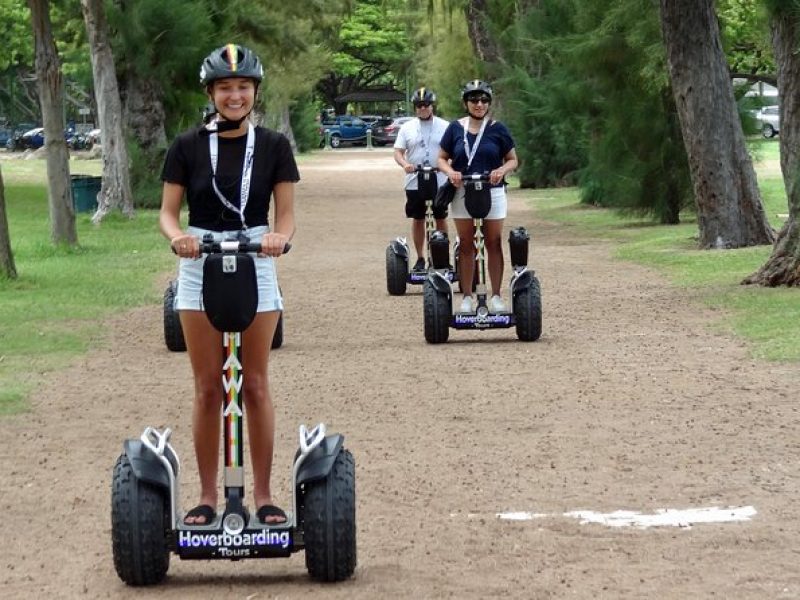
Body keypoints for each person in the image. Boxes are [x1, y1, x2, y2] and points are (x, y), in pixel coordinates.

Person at [159, 43, 298, 526]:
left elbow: (286, 214)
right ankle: (206, 496)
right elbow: (168, 213)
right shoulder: (187, 145)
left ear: (254, 91)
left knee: (254, 383)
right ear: (212, 92)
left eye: (242, 87)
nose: (234, 95)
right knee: (207, 388)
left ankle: (262, 494)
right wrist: (179, 238)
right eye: (224, 87)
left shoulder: (276, 146)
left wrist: (280, 238)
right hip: (200, 258)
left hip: (256, 254)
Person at [437, 80, 518, 313]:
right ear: (466, 103)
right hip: (463, 190)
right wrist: (450, 171)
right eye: (474, 100)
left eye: (483, 100)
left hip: (492, 190)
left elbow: (513, 159)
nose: (479, 104)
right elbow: (441, 158)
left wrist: (501, 170)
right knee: (466, 244)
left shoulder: (498, 128)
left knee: (493, 242)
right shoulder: (454, 128)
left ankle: (495, 296)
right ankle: (466, 297)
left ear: (488, 103)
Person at [393, 86, 450, 272]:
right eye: (419, 105)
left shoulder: (445, 126)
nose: (422, 108)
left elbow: (454, 151)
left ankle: (442, 256)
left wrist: (449, 167)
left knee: (440, 216)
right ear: (415, 107)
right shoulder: (407, 128)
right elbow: (398, 152)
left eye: (426, 105)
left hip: (439, 178)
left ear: (432, 106)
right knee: (418, 218)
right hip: (415, 178)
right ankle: (420, 258)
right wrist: (405, 165)